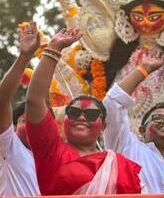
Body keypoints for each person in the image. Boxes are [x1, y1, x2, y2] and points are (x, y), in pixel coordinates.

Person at [25, 27, 142, 195]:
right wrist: (54, 49)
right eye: (73, 112)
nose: (81, 117)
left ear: (103, 127)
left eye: (91, 115)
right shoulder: (51, 150)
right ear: (64, 119)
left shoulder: (119, 164)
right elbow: (34, 101)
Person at [103, 51, 164, 193]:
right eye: (157, 118)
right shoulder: (126, 146)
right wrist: (144, 69)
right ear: (142, 130)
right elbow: (112, 102)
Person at [0, 21, 40, 196]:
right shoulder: (8, 146)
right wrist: (25, 56)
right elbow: (2, 100)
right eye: (24, 120)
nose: (32, 126)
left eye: (37, 122)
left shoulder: (50, 160)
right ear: (12, 126)